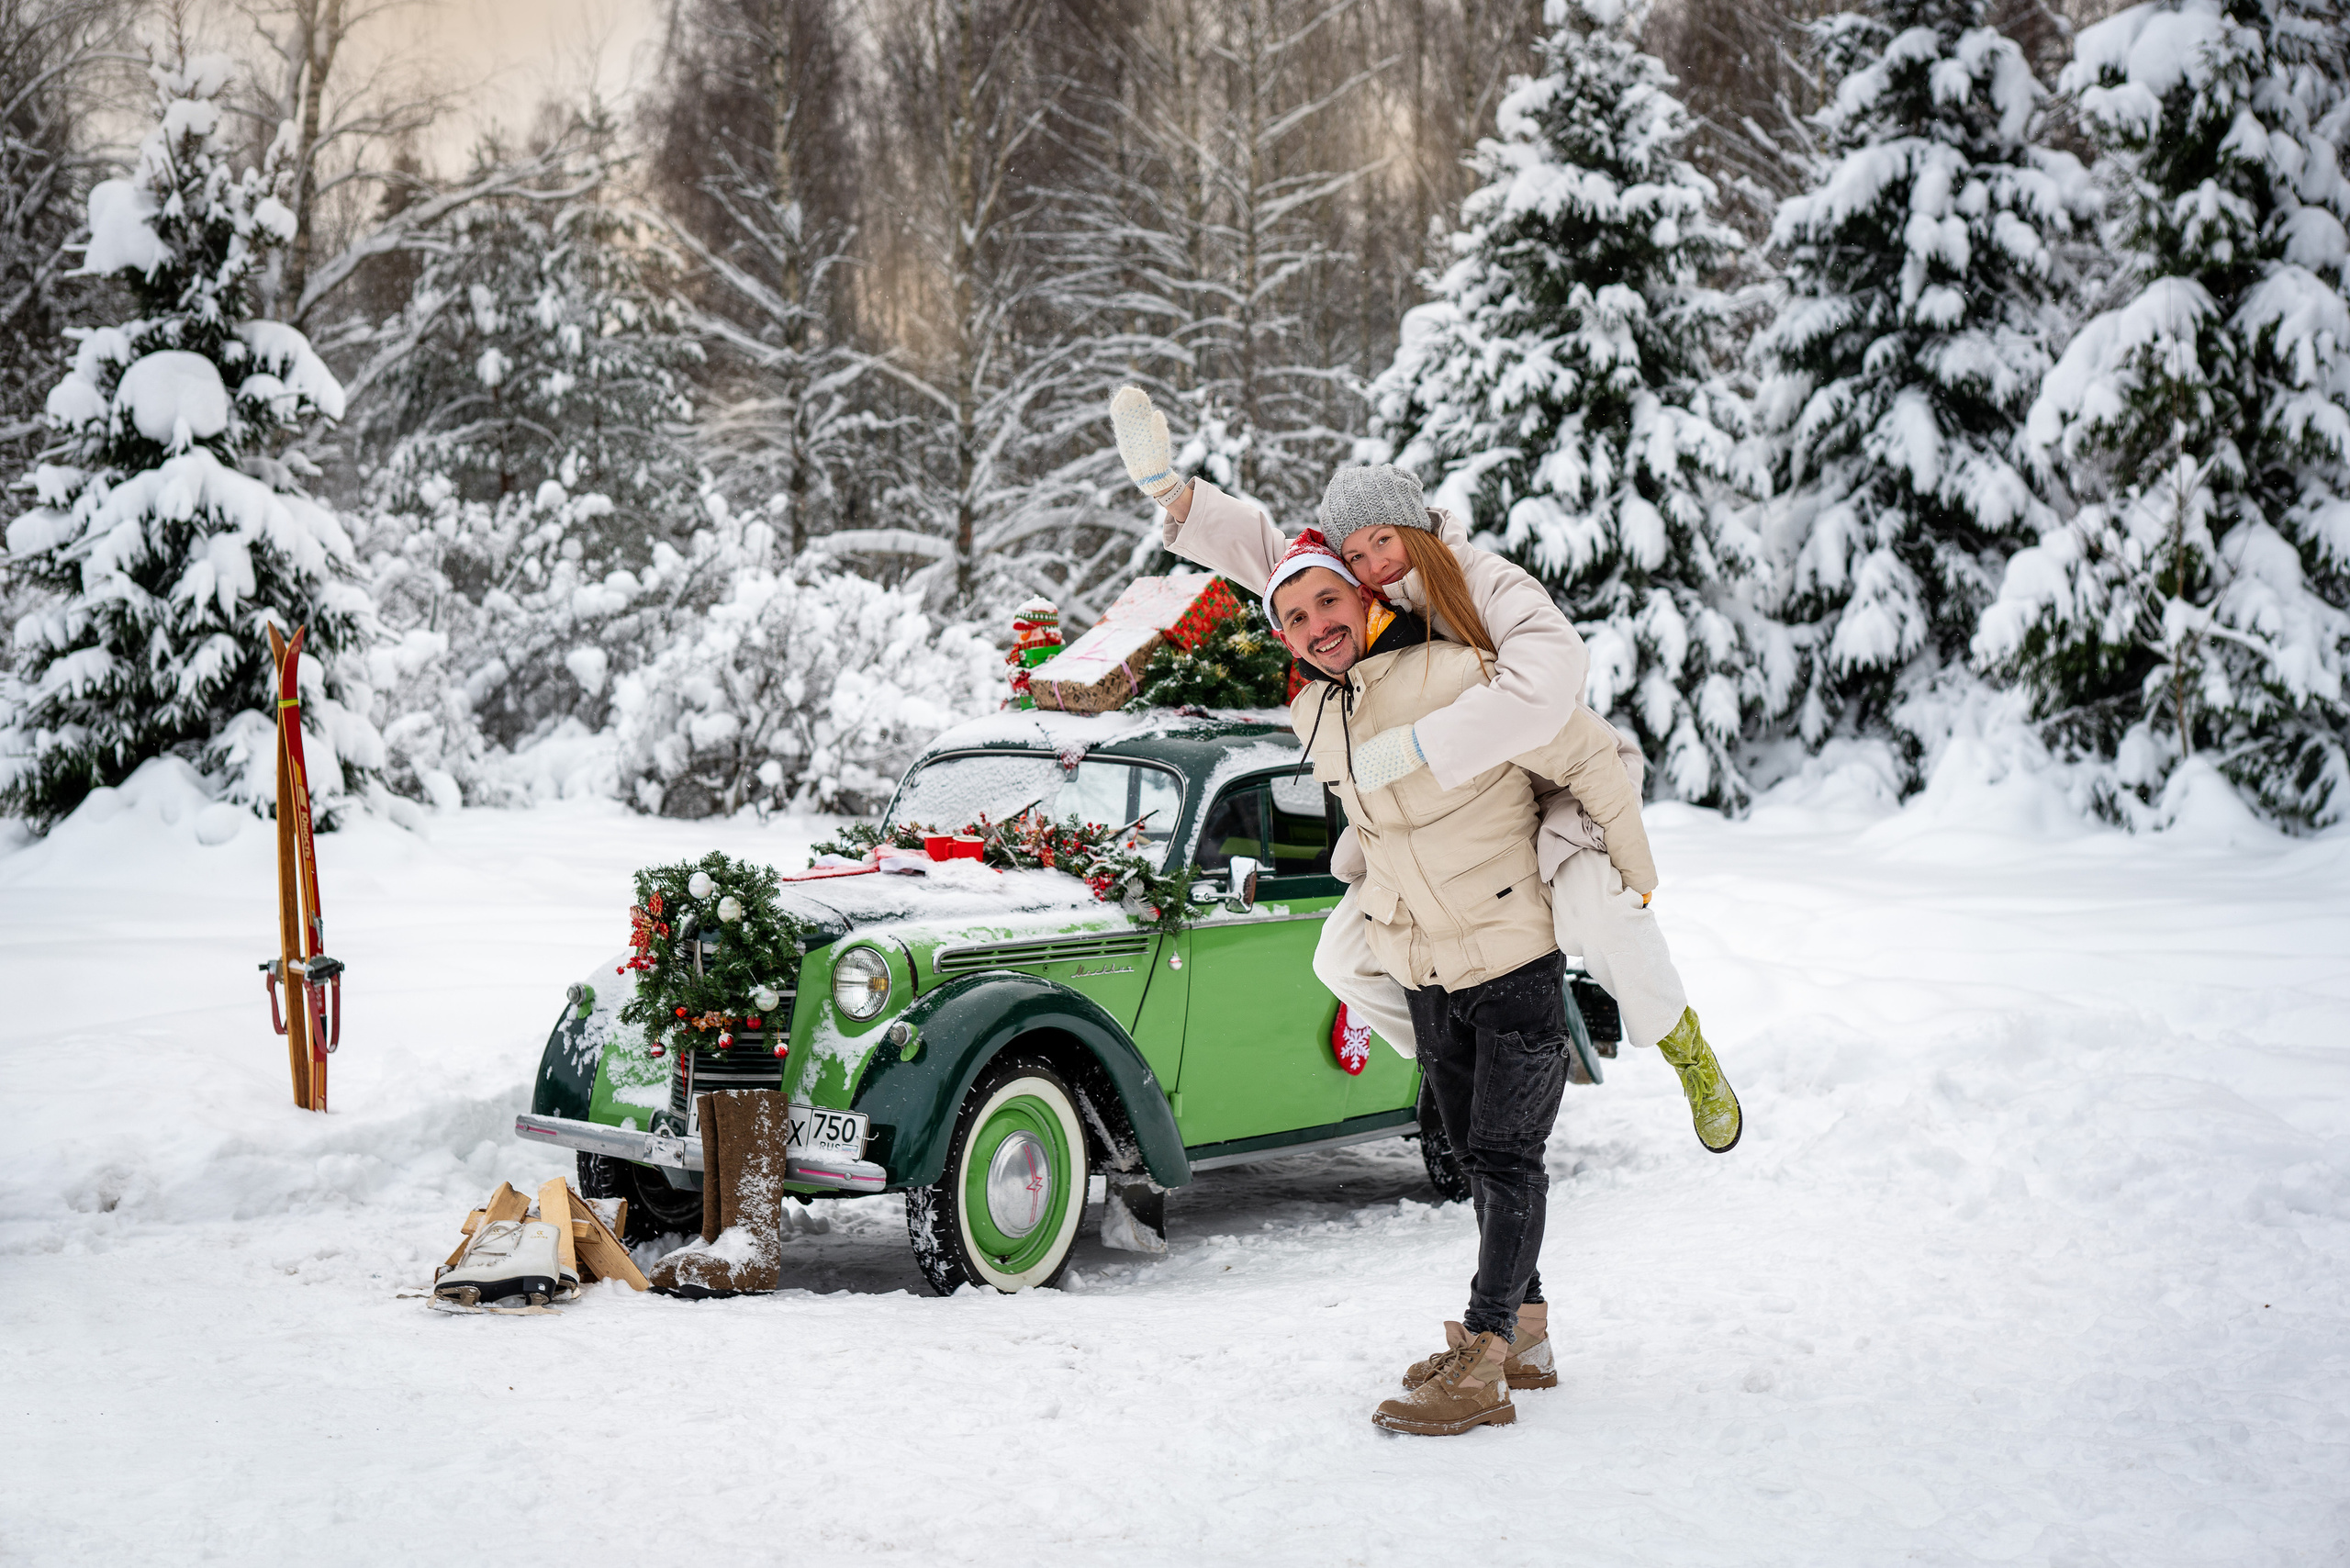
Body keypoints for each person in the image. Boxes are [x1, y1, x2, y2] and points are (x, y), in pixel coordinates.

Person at [1107, 386, 1740, 1156]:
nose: (1374, 562)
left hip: (1541, 794)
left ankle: (1685, 1050)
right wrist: (1173, 494)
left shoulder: (1486, 581)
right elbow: (1277, 564)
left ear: (1416, 524)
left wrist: (1424, 745)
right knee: (1341, 958)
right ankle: (1462, 1055)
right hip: (1435, 829)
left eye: (1384, 541)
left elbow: (1551, 682)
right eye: (1357, 553)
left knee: (1604, 920)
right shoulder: (1359, 597)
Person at [1257, 532, 1632, 1434]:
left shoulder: (1460, 670)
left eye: (1327, 602)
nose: (1316, 625)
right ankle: (1525, 1340)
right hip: (1424, 963)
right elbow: (1373, 826)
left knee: (1508, 1157)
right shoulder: (1314, 715)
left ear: (1364, 598)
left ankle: (1484, 1353)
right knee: (1474, 1154)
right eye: (1293, 617)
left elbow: (1575, 746)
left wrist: (1610, 856)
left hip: (1511, 955)